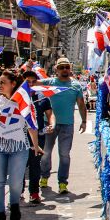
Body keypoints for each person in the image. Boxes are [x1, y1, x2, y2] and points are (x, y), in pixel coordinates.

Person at [0, 70, 44, 220]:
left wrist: (36, 146)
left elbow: (32, 126)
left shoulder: (24, 102)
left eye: (3, 82)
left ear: (13, 84)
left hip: (19, 148)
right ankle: (0, 214)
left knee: (16, 182)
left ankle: (15, 205)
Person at [39, 57, 87, 194]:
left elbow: (81, 104)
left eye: (67, 67)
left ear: (70, 69)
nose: (65, 69)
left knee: (64, 154)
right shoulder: (49, 82)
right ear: (56, 69)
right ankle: (44, 177)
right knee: (46, 153)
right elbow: (31, 83)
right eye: (61, 67)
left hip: (67, 125)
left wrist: (84, 121)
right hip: (49, 124)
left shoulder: (76, 85)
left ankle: (62, 183)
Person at [22, 70, 54, 204]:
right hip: (20, 136)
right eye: (27, 82)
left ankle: (34, 193)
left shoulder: (43, 97)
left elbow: (50, 114)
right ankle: (18, 190)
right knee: (20, 165)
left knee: (35, 165)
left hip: (38, 135)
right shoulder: (17, 97)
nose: (31, 84)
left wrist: (52, 124)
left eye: (33, 81)